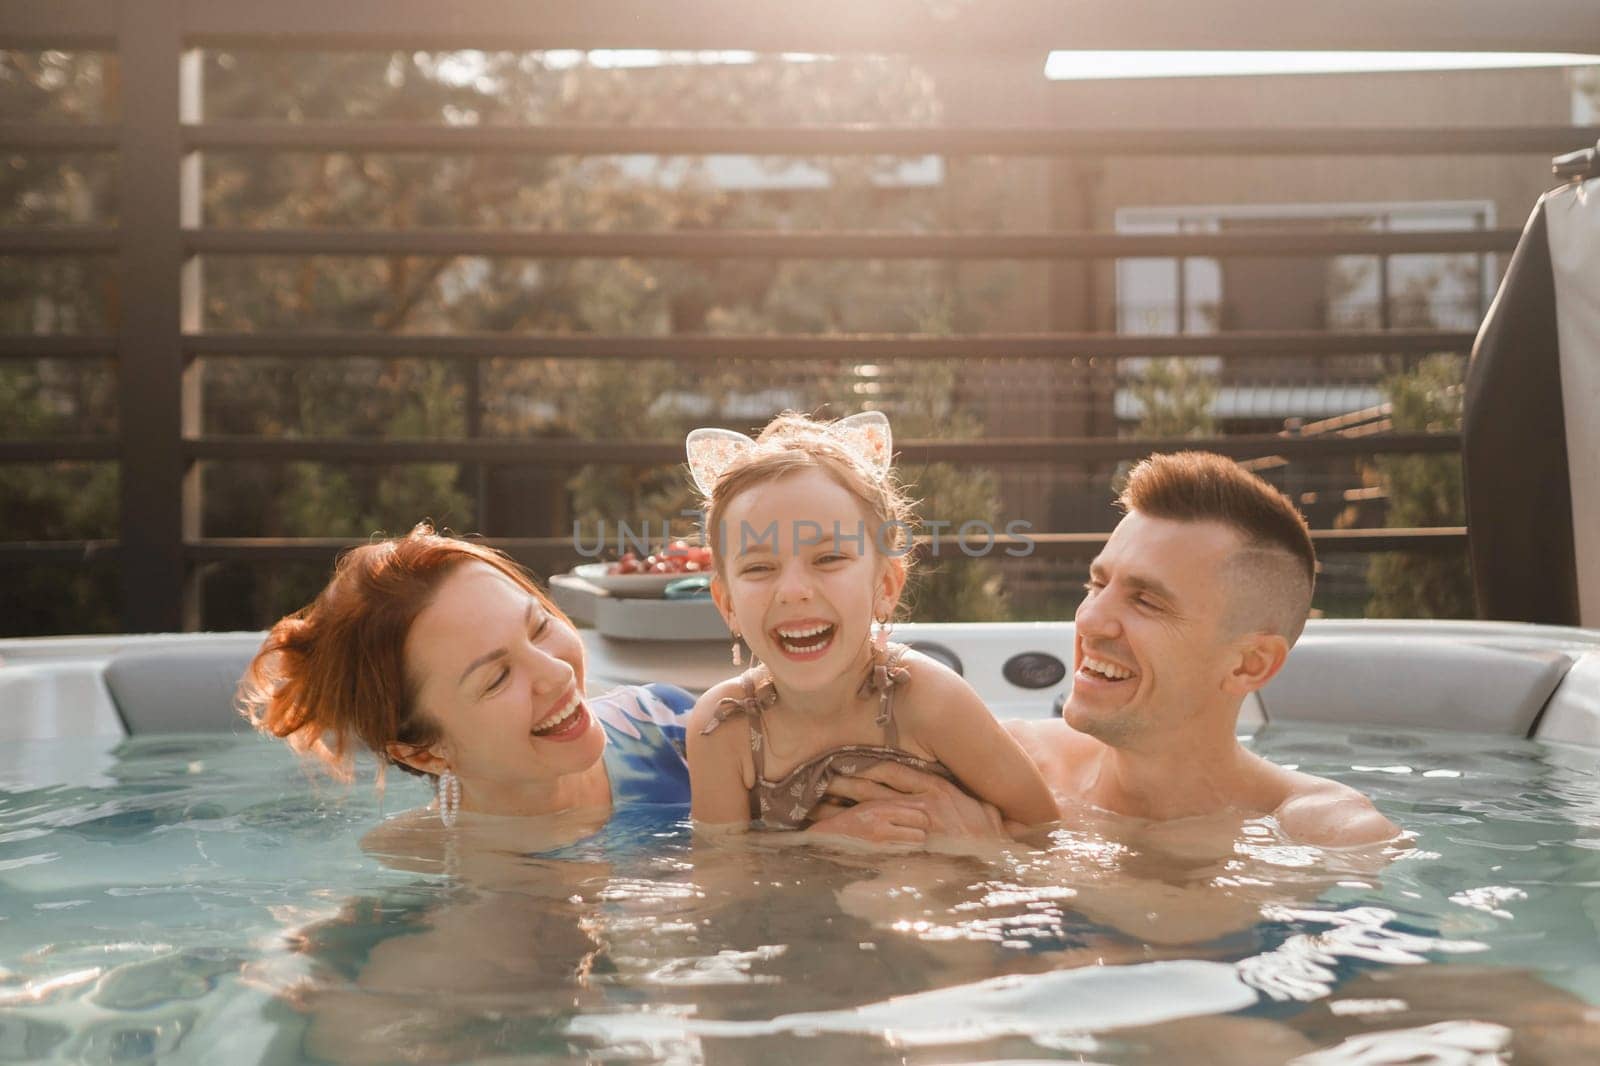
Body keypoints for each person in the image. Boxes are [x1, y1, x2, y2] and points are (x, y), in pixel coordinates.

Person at [826, 451, 1401, 848]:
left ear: (1249, 664)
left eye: (1147, 601)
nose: (1091, 619)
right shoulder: (1004, 767)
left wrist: (996, 861)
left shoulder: (1325, 834)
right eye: (1097, 584)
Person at [682, 410, 1058, 832]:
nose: (793, 590)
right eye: (759, 568)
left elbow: (1044, 832)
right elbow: (722, 882)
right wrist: (822, 844)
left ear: (886, 585)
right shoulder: (724, 729)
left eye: (829, 558)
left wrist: (975, 844)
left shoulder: (929, 704)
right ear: (726, 601)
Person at [239, 526, 695, 856]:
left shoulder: (674, 733)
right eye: (496, 678)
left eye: (538, 627)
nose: (556, 673)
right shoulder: (429, 858)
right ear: (424, 754)